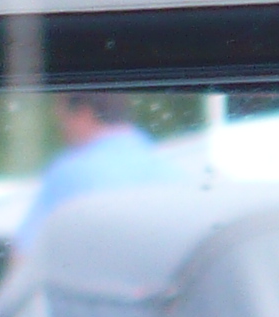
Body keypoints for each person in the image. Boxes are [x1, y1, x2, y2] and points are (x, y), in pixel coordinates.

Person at [17, 93, 175, 241]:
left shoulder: (69, 174)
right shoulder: (169, 172)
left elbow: (25, 252)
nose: (60, 125)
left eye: (61, 114)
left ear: (84, 113)